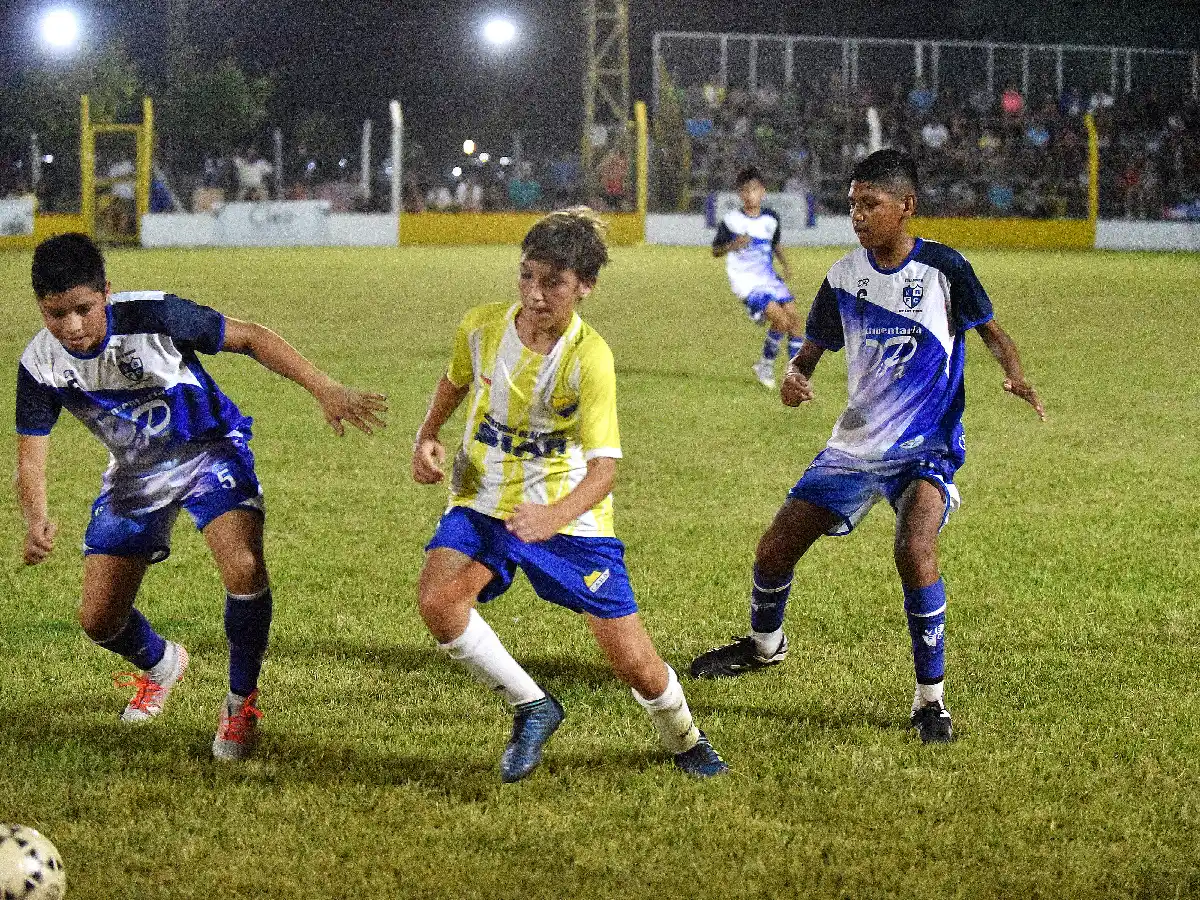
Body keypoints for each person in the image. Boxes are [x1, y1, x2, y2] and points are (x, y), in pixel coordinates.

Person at [690, 150, 1045, 744]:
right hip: (853, 448)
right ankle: (763, 647)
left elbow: (990, 330)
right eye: (852, 203)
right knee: (774, 548)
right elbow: (814, 348)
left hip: (924, 447)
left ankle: (930, 701)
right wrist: (796, 377)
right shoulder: (841, 277)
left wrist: (1013, 372)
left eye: (869, 204)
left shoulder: (944, 269)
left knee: (914, 549)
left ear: (905, 207)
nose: (856, 215)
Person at [16, 233, 388, 760]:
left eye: (83, 309)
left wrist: (324, 387)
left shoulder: (157, 315)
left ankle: (240, 704)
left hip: (208, 451)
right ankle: (162, 664)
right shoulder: (40, 364)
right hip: (136, 474)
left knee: (243, 568)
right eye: (57, 314)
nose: (72, 327)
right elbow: (31, 455)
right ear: (40, 308)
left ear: (106, 294)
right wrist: (37, 519)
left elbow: (253, 337)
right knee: (98, 621)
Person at [412, 207, 727, 782]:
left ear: (585, 287)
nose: (534, 294)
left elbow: (604, 470)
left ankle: (684, 737)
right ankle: (534, 706)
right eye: (526, 276)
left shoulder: (589, 358)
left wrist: (552, 515)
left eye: (552, 282)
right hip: (484, 497)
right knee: (439, 602)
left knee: (633, 663)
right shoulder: (481, 326)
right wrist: (427, 435)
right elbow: (456, 379)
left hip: (568, 515)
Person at [712, 166, 805, 391]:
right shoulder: (732, 221)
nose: (749, 195)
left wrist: (785, 264)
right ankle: (765, 366)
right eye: (745, 191)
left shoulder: (771, 218)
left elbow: (775, 244)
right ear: (739, 194)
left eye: (754, 190)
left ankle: (796, 376)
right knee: (780, 321)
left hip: (769, 278)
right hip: (746, 282)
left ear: (762, 191)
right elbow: (715, 250)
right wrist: (733, 245)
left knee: (795, 320)